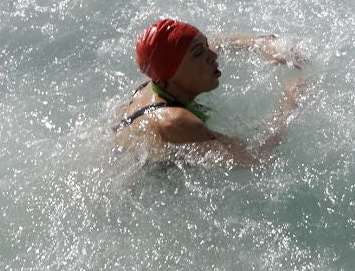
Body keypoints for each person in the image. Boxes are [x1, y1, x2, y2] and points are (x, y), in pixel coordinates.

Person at [114, 18, 307, 167]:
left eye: (205, 46)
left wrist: (263, 44)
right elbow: (254, 159)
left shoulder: (157, 82)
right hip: (147, 177)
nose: (213, 55)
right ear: (172, 72)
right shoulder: (176, 121)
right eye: (199, 53)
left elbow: (222, 42)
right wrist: (290, 102)